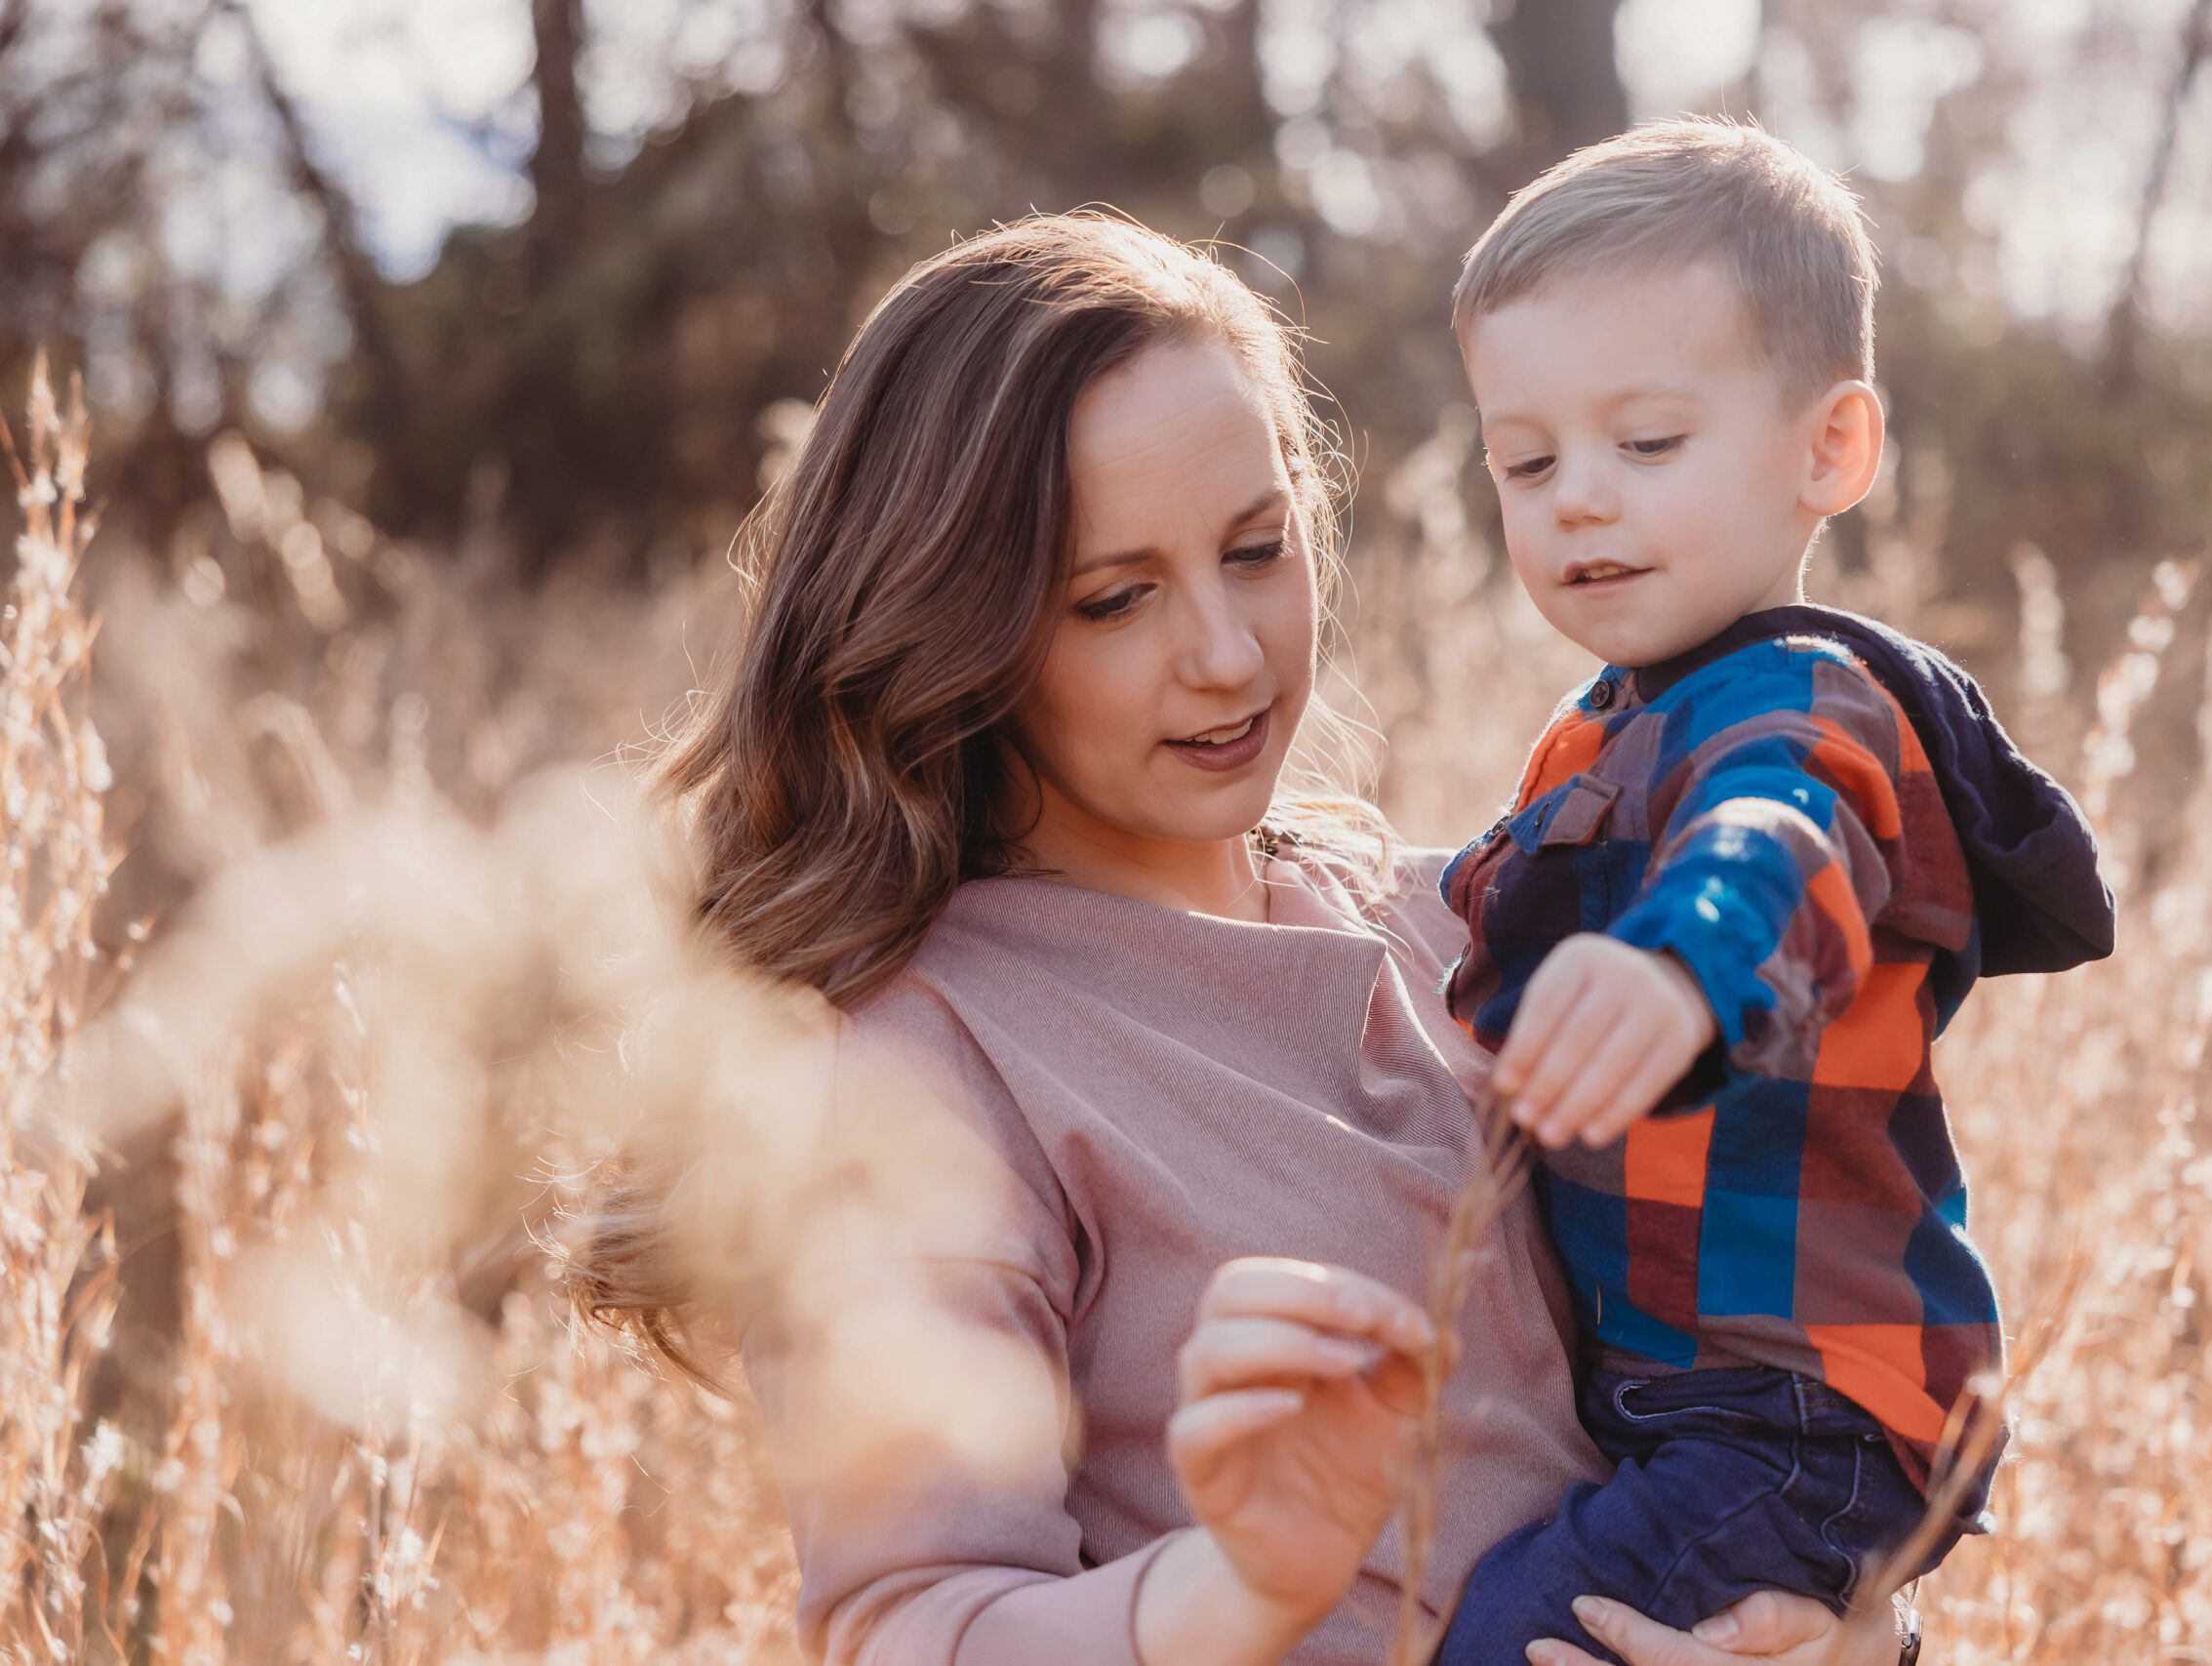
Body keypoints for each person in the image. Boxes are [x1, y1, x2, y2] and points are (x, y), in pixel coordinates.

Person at [573, 213, 1925, 1666]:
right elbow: (908, 1628)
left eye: (1256, 549)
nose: (1225, 652)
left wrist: (1850, 1633)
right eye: (1114, 598)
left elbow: (1723, 1400)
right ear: (952, 625)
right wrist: (1237, 1586)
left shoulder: (1450, 913)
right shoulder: (906, 1068)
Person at [1427, 122, 2117, 1664]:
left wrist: (1679, 972)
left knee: (1513, 1643)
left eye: (1646, 445)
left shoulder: (1796, 703)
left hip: (1796, 1407)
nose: (1578, 502)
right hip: (1703, 1400)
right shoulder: (1611, 718)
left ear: (1831, 450)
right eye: (1526, 462)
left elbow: (1776, 848)